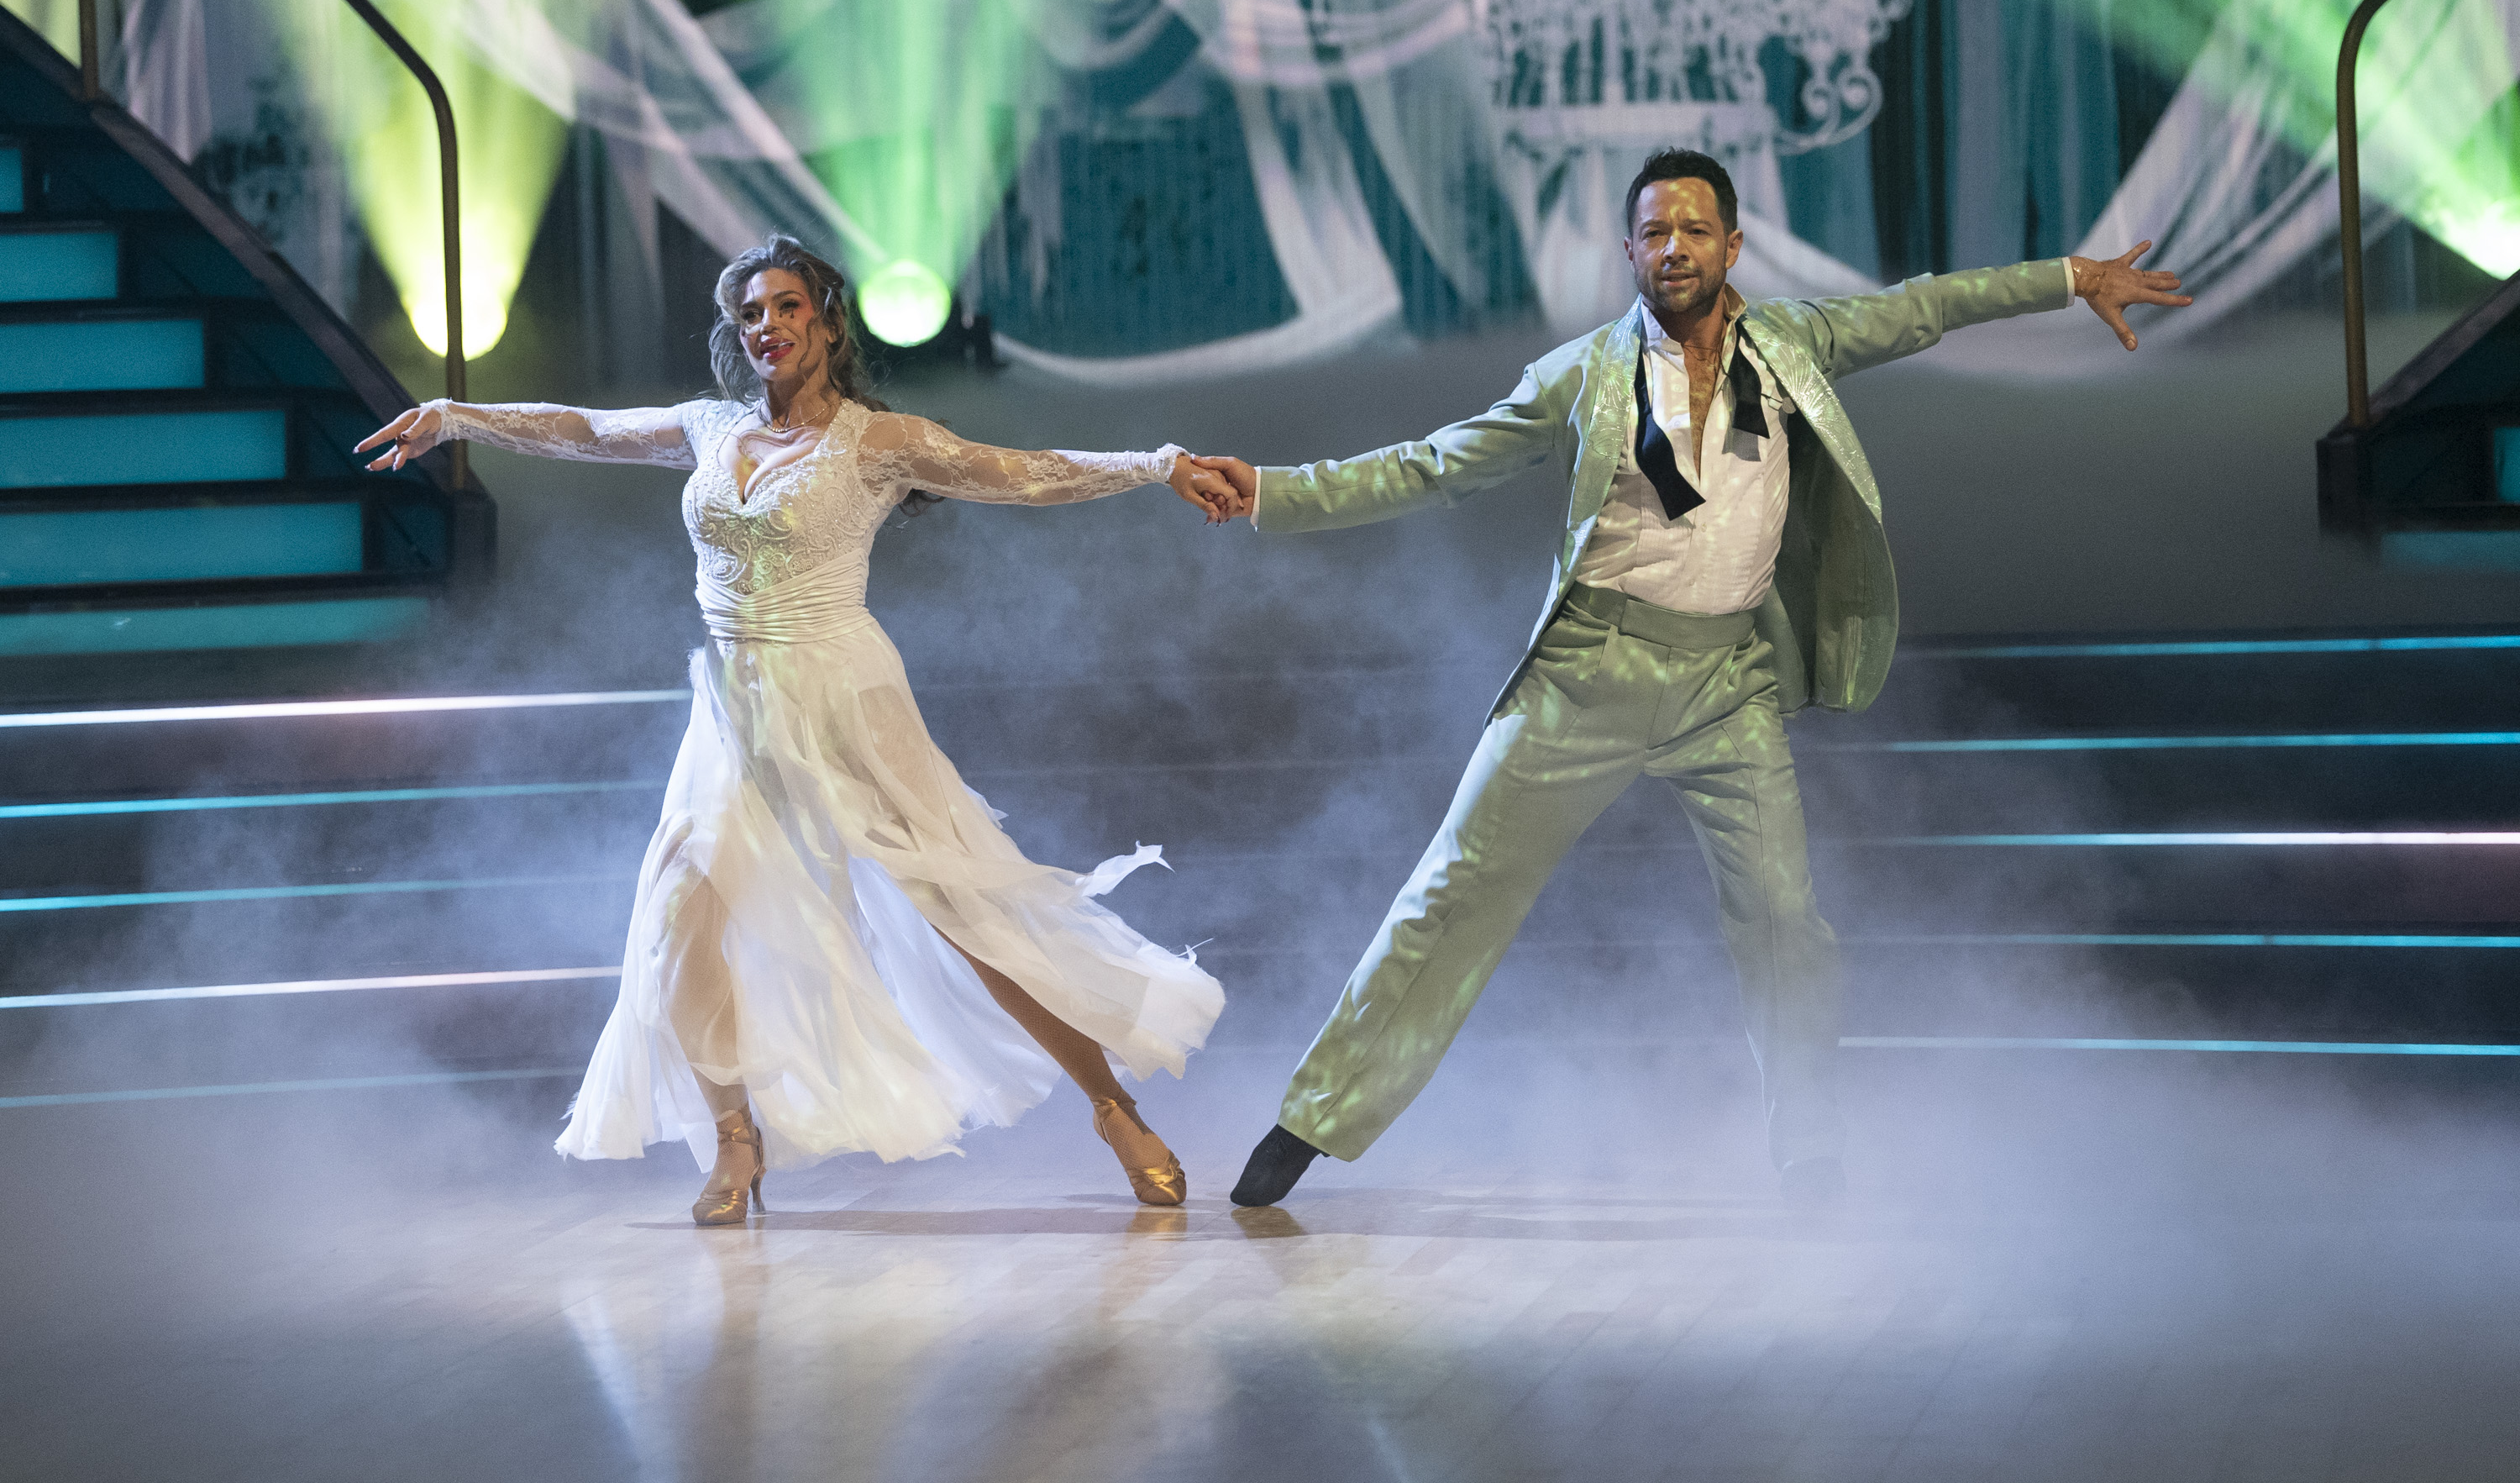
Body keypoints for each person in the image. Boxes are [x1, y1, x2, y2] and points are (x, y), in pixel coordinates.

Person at [1194, 147, 2191, 1209]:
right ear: (1629, 250)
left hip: (1728, 684)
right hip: (1586, 676)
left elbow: (1921, 307)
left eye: (1694, 230)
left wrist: (2069, 278)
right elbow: (1437, 463)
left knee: (1785, 920)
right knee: (1451, 894)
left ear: (1732, 244)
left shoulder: (1794, 344)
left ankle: (1810, 1148)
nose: (1674, 249)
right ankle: (1312, 1119)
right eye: (1655, 233)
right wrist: (1276, 493)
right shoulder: (1581, 373)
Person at [358, 234, 1242, 1221]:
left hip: (844, 695)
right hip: (735, 707)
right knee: (675, 921)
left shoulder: (876, 440)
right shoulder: (709, 427)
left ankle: (1113, 1106)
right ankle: (735, 1140)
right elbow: (589, 427)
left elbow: (1018, 470)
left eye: (784, 307)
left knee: (966, 917)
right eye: (749, 314)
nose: (766, 327)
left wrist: (1157, 463)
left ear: (824, 318)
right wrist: (456, 415)